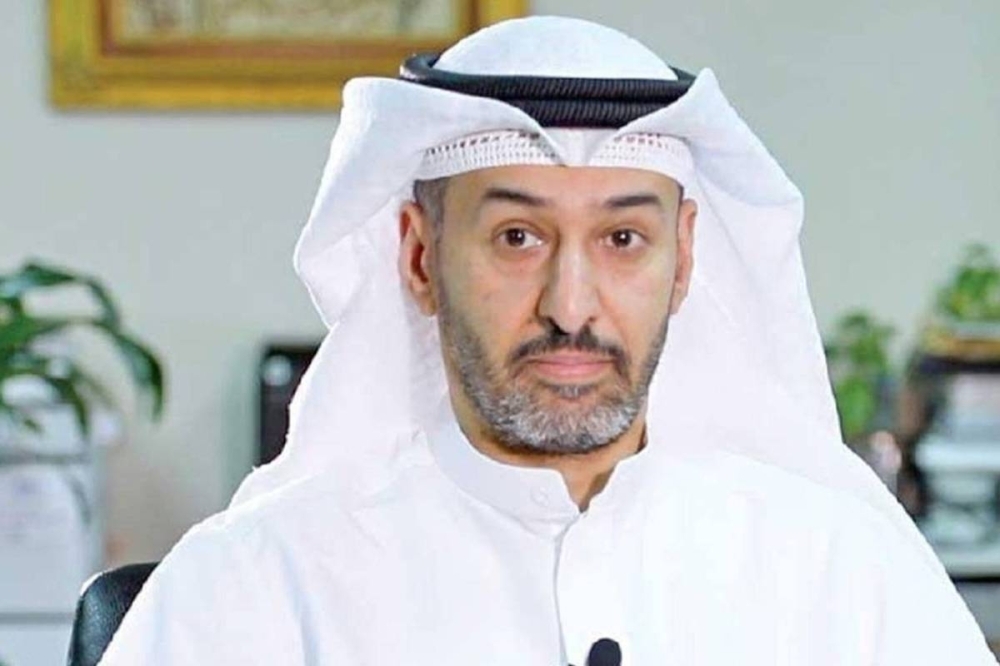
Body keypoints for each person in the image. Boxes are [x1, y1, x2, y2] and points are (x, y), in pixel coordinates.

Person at [98, 16, 997, 665]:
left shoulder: (843, 573)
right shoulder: (253, 587)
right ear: (419, 256)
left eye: (623, 239)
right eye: (518, 238)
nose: (572, 307)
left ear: (683, 260)